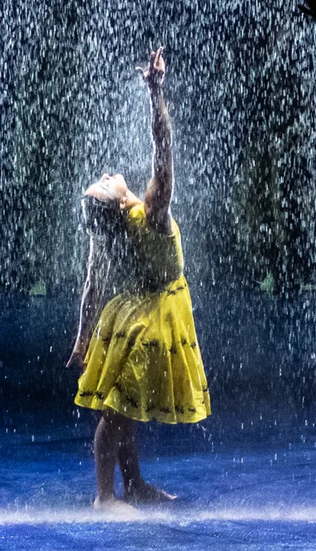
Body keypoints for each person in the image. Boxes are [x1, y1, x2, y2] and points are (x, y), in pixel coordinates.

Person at [67, 47, 210, 511]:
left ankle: (133, 486)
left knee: (126, 409)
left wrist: (83, 334)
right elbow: (163, 150)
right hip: (150, 319)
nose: (108, 174)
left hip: (130, 314)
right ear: (113, 202)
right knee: (116, 409)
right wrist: (156, 94)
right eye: (103, 181)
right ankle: (105, 496)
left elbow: (91, 285)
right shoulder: (151, 214)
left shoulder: (112, 233)